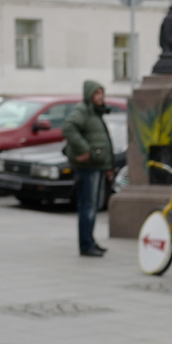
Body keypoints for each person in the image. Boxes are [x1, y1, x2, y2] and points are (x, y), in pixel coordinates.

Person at [62, 80, 113, 257]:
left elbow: (103, 141)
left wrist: (108, 167)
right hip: (88, 167)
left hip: (97, 166)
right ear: (89, 94)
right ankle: (86, 245)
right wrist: (84, 149)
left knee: (93, 206)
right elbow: (69, 127)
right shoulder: (82, 110)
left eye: (102, 93)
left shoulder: (95, 113)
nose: (101, 97)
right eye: (97, 93)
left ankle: (90, 241)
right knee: (88, 206)